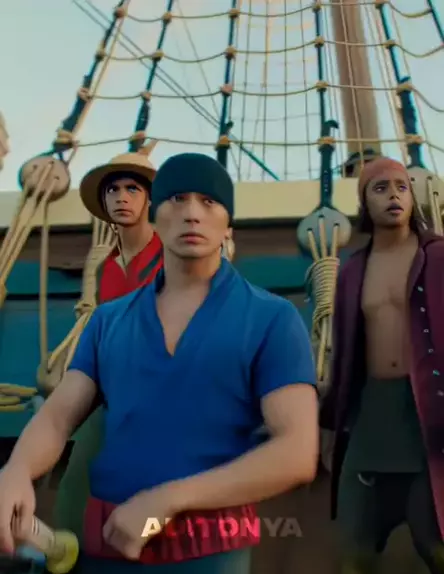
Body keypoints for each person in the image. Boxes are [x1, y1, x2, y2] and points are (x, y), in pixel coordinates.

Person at [0, 152, 318, 573]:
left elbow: (297, 452)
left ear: (228, 224)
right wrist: (17, 470)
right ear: (155, 216)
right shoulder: (108, 321)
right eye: (177, 199)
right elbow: (58, 418)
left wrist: (168, 500)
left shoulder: (271, 319)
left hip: (207, 557)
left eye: (209, 202)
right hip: (106, 550)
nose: (192, 214)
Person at [320, 156, 444, 573]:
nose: (393, 195)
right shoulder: (352, 270)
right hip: (371, 417)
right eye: (380, 188)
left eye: (401, 187)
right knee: (353, 551)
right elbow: (344, 354)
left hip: (429, 416)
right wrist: (328, 423)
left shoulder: (439, 257)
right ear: (364, 203)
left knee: (436, 546)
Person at [54, 151, 162, 540]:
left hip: (166, 398)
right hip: (110, 397)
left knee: (157, 511)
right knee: (73, 495)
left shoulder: (173, 256)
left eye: (132, 189)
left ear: (149, 198)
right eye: (113, 190)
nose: (121, 197)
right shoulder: (105, 268)